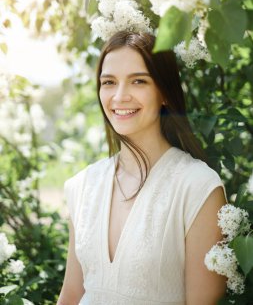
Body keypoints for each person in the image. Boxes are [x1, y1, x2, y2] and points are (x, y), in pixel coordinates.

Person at [57, 31, 227, 305]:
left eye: (138, 81)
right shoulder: (83, 185)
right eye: (109, 82)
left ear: (164, 93)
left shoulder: (198, 187)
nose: (120, 96)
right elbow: (71, 296)